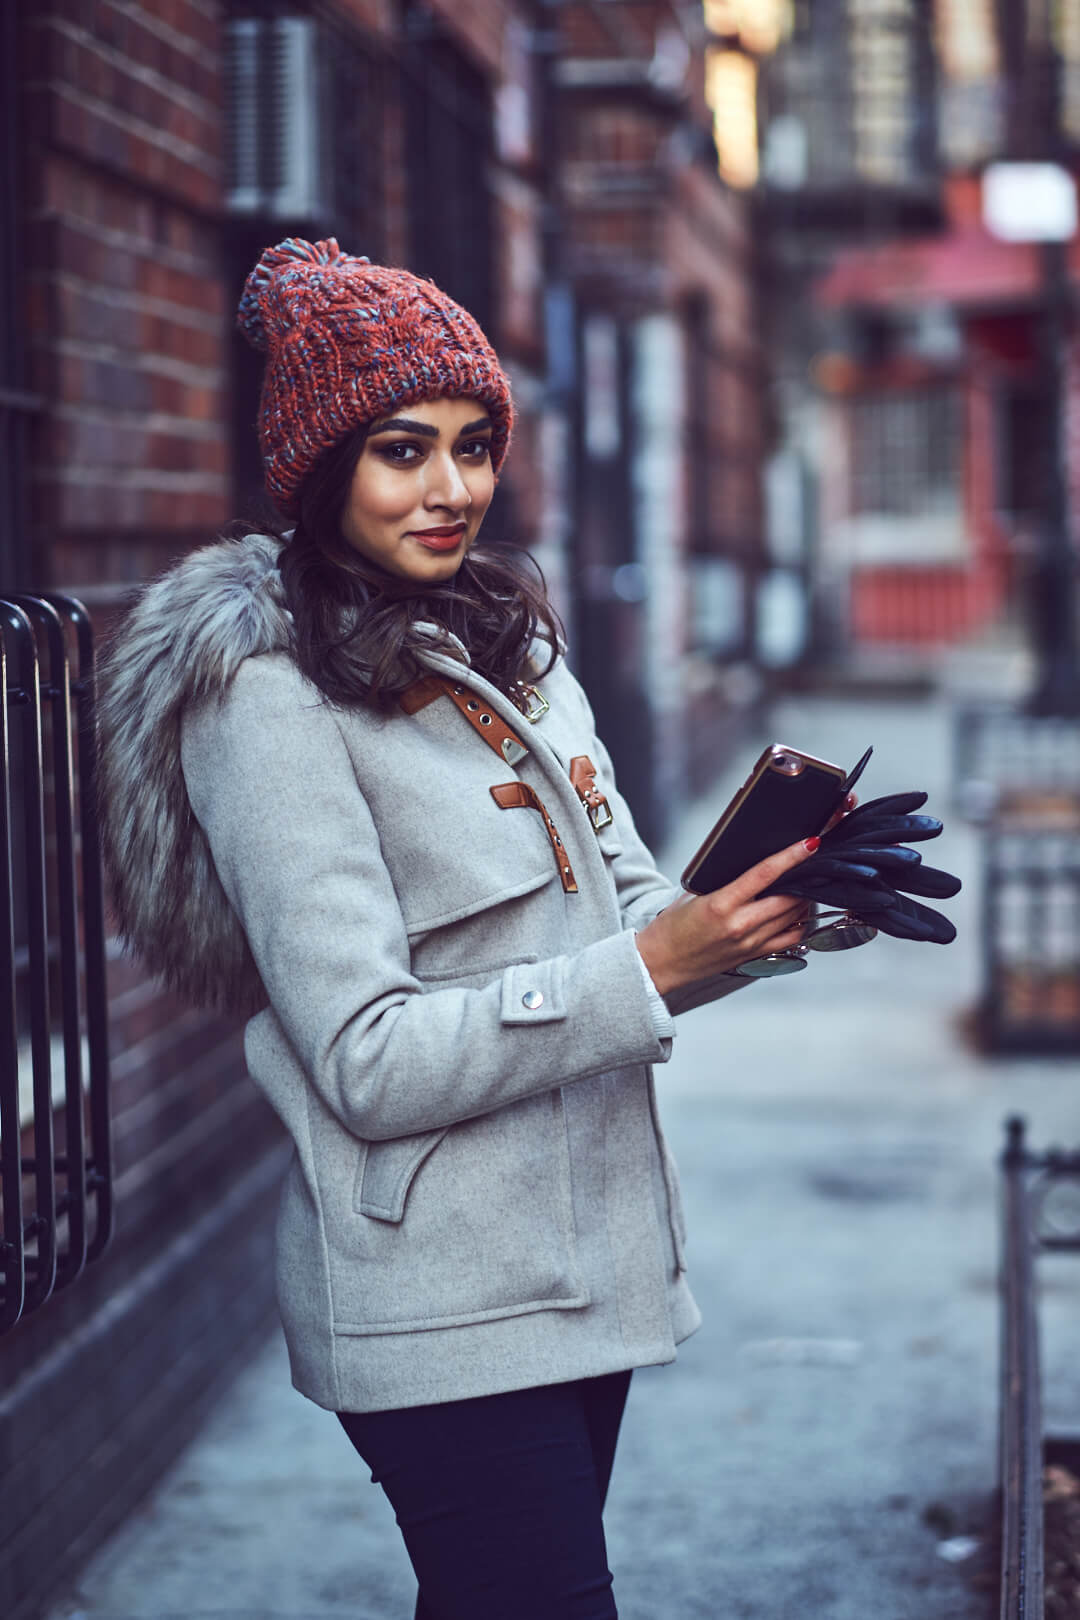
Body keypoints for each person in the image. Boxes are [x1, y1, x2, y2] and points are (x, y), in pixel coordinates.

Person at [96, 238, 820, 1620]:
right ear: (323, 471)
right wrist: (649, 966)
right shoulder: (266, 700)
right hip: (433, 1298)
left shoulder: (514, 653)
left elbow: (631, 913)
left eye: (475, 444)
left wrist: (777, 911)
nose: (452, 488)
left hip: (581, 1263)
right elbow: (362, 1056)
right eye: (402, 450)